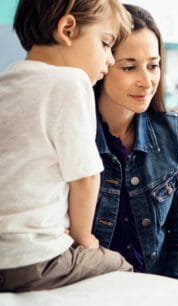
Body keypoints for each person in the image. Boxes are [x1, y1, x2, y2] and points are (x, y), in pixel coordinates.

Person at [0, 0, 133, 292]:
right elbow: (85, 176)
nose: (110, 60)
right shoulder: (71, 82)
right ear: (68, 29)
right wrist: (84, 240)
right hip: (34, 261)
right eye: (105, 44)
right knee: (122, 267)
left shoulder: (7, 81)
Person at [92, 4, 178, 283]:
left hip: (158, 291)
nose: (147, 80)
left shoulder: (176, 136)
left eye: (153, 65)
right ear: (103, 64)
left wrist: (177, 297)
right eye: (129, 67)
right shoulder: (74, 134)